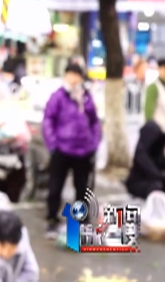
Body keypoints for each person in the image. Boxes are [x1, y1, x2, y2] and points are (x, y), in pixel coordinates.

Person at [42, 64, 101, 238]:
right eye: (71, 75)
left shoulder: (86, 98)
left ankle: (81, 222)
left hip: (83, 151)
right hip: (62, 149)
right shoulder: (58, 97)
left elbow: (95, 122)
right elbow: (48, 120)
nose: (74, 79)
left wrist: (93, 143)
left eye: (77, 76)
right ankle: (52, 219)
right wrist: (52, 144)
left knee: (82, 189)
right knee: (55, 187)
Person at [125, 120, 165, 219]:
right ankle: (158, 217)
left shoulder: (156, 152)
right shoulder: (141, 155)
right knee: (156, 186)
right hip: (138, 184)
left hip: (156, 180)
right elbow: (152, 172)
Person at [144, 58, 165, 135]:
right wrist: (149, 127)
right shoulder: (153, 87)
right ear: (158, 69)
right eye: (163, 69)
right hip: (155, 129)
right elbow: (148, 110)